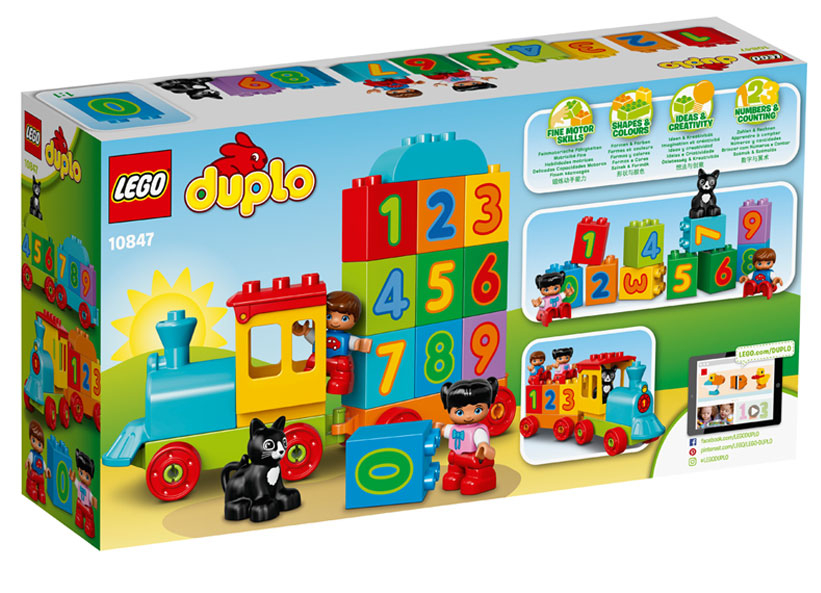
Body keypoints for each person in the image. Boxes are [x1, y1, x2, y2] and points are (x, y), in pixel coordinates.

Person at [293, 290, 372, 395]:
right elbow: (314, 338)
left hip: (339, 363)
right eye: (329, 317)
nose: (335, 321)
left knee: (340, 381)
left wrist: (360, 344)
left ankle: (338, 385)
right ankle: (310, 384)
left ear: (355, 319)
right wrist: (305, 331)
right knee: (310, 373)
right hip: (318, 359)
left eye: (344, 318)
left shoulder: (346, 338)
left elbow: (355, 343)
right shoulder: (321, 333)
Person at [434, 378, 498, 496]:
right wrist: (437, 427)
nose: (468, 417)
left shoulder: (478, 430)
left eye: (477, 410)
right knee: (453, 465)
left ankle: (476, 478)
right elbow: (444, 431)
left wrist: (484, 447)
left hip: (473, 459)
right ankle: (455, 475)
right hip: (456, 458)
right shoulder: (454, 428)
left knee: (474, 467)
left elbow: (482, 442)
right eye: (460, 412)